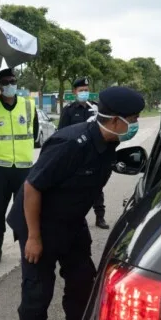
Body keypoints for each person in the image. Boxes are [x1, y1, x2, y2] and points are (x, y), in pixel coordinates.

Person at [6, 86, 144, 320]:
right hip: (38, 224)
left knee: (83, 283)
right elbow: (32, 188)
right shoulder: (70, 143)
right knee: (38, 291)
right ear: (116, 119)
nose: (135, 123)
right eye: (132, 118)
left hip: (70, 222)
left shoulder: (109, 144)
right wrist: (33, 237)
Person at [0, 68, 38, 266]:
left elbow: (34, 132)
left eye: (13, 81)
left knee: (25, 210)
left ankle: (26, 247)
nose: (10, 85)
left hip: (23, 168)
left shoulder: (29, 105)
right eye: (6, 82)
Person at [58, 78, 109, 230]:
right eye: (81, 90)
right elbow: (62, 133)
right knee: (73, 187)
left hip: (94, 154)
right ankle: (73, 218)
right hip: (76, 155)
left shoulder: (96, 108)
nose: (84, 93)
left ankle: (100, 217)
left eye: (86, 90)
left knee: (97, 187)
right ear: (74, 92)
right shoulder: (69, 110)